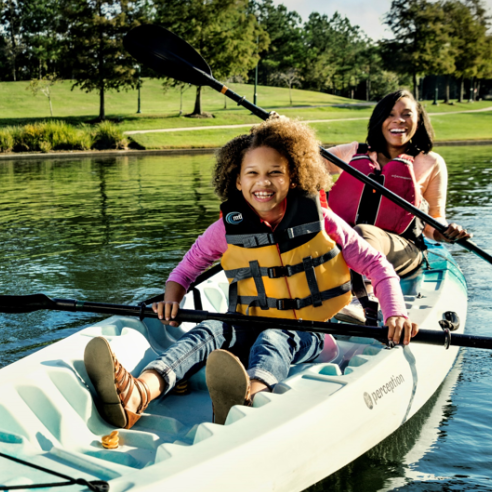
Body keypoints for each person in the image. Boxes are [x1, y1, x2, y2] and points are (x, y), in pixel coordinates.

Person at [84, 117, 418, 430]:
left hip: (311, 331)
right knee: (210, 330)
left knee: (275, 337)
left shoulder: (324, 222)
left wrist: (395, 315)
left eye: (275, 172)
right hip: (249, 321)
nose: (263, 183)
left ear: (294, 176)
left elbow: (377, 266)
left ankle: (248, 399)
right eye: (252, 173)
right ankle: (141, 391)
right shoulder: (225, 229)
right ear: (237, 180)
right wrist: (172, 298)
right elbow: (187, 268)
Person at [326, 90, 471, 279]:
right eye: (390, 114)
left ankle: (364, 298)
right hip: (345, 240)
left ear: (418, 120)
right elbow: (300, 163)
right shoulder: (352, 152)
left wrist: (445, 232)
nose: (398, 120)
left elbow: (434, 219)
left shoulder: (431, 162)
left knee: (363, 234)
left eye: (406, 114)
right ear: (380, 120)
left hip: (403, 249)